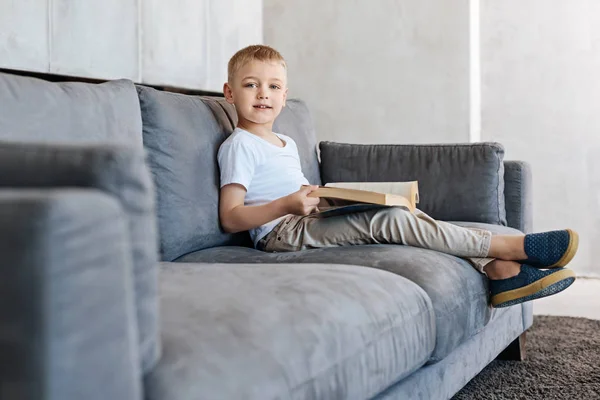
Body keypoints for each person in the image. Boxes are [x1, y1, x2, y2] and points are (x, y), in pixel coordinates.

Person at [217, 44, 577, 308]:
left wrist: (320, 197)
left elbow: (294, 191)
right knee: (389, 220)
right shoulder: (240, 145)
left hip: (307, 217)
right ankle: (507, 247)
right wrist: (286, 204)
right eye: (251, 85)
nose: (263, 94)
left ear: (285, 96)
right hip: (281, 233)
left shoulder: (286, 141)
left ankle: (500, 271)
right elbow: (231, 217)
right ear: (230, 93)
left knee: (404, 212)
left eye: (274, 86)